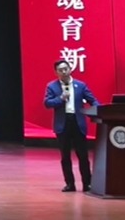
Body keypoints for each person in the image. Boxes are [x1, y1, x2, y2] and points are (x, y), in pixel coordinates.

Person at [44, 59, 99, 192]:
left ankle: (87, 184)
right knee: (65, 156)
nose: (64, 72)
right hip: (62, 124)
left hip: (77, 122)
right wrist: (60, 98)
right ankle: (70, 184)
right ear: (56, 72)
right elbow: (47, 103)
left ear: (70, 69)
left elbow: (93, 100)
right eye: (60, 70)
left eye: (66, 69)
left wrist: (100, 110)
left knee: (83, 156)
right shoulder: (52, 86)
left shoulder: (80, 85)